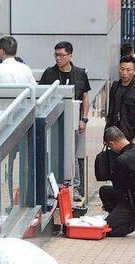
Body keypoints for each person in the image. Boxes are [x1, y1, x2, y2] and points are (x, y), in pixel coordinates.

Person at [39, 41, 91, 201]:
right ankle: (51, 187)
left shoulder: (80, 74)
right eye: (56, 54)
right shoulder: (49, 73)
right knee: (51, 153)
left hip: (73, 122)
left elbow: (85, 97)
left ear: (70, 55)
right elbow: (42, 95)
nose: (58, 58)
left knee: (72, 155)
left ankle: (74, 187)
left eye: (62, 55)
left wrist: (84, 119)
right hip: (53, 122)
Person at [99, 127, 135, 238]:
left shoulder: (122, 160)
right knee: (104, 191)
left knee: (107, 230)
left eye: (109, 146)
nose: (110, 149)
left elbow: (118, 186)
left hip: (133, 203)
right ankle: (120, 217)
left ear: (112, 143)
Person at [105, 56, 135, 146]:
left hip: (130, 136)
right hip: (114, 134)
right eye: (122, 69)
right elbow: (110, 111)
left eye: (128, 70)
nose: (124, 73)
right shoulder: (115, 86)